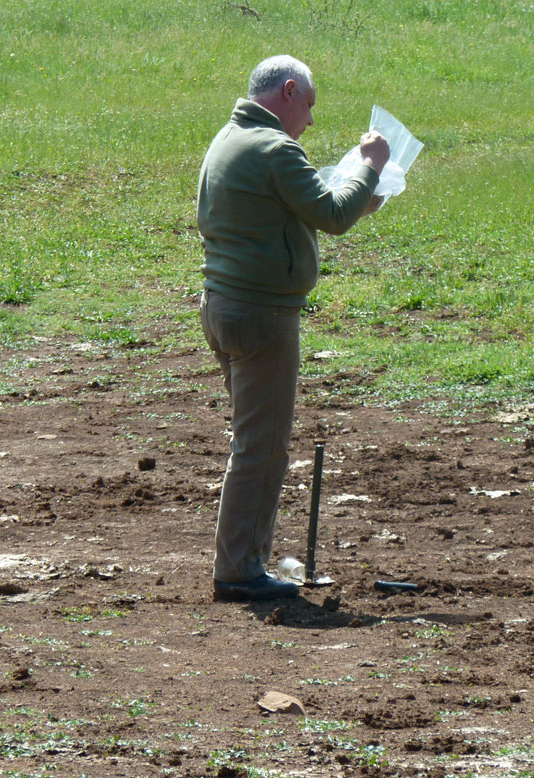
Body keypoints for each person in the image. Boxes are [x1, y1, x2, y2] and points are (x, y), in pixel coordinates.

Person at [197, 55, 390, 602]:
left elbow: (309, 210)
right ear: (287, 92)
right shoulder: (275, 148)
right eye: (308, 105)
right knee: (262, 448)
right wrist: (370, 164)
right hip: (262, 316)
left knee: (252, 442)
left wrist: (358, 197)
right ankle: (239, 570)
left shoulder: (229, 139)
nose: (309, 120)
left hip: (225, 307)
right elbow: (330, 215)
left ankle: (245, 561)